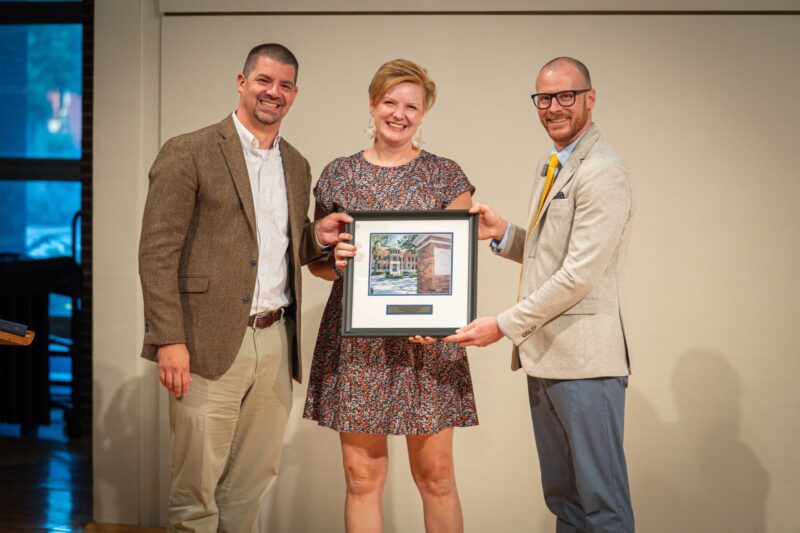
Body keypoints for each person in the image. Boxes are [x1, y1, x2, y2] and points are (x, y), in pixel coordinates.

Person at [138, 43, 350, 532]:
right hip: (205, 341)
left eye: (285, 85)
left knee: (250, 489)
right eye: (264, 81)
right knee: (196, 497)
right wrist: (168, 338)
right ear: (241, 82)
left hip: (275, 341)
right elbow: (157, 253)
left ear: (295, 94)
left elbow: (281, 247)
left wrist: (316, 237)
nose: (274, 92)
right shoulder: (188, 151)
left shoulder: (295, 164)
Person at [446, 57, 635, 532]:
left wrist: (502, 325)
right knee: (564, 500)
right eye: (544, 98)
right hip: (547, 359)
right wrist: (504, 233)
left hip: (586, 367)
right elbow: (552, 256)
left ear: (590, 98)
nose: (554, 107)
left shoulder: (602, 171)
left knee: (602, 506)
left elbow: (578, 276)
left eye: (566, 95)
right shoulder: (551, 163)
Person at [302, 59, 477, 533]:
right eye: (390, 102)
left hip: (427, 340)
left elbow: (456, 264)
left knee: (436, 475)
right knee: (361, 477)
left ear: (424, 113)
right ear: (372, 103)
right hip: (358, 342)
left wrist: (440, 318)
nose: (399, 114)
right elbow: (319, 263)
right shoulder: (339, 175)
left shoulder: (445, 176)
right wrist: (335, 262)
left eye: (411, 107)